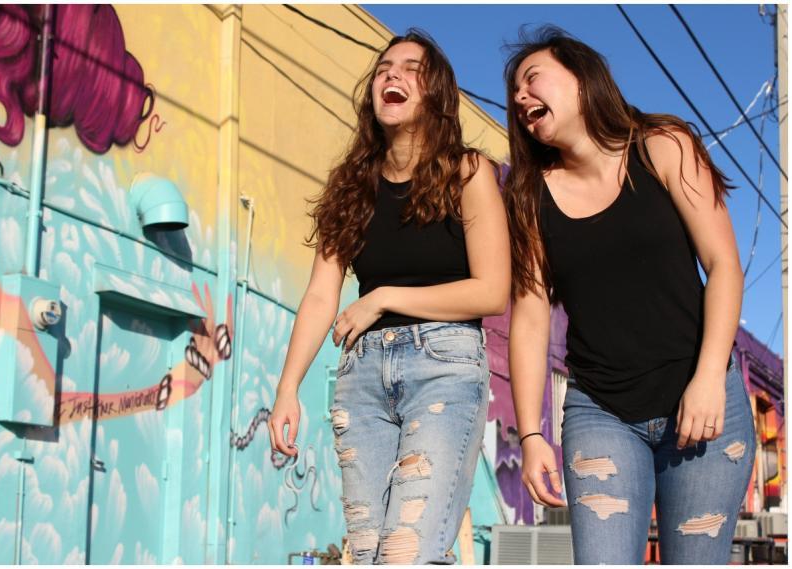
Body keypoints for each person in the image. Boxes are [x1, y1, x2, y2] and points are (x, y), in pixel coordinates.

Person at [504, 26, 756, 564]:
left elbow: (723, 266)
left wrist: (710, 377)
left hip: (703, 398)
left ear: (580, 76)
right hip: (602, 412)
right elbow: (528, 316)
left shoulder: (664, 145)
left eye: (531, 78)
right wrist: (530, 435)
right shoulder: (528, 197)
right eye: (514, 94)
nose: (521, 97)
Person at [269, 29, 510, 565]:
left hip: (444, 368)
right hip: (361, 381)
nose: (392, 76)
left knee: (408, 552)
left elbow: (492, 290)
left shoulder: (468, 172)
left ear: (437, 95)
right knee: (371, 553)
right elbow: (319, 296)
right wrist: (287, 388)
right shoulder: (350, 186)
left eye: (411, 69)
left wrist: (381, 298)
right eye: (383, 69)